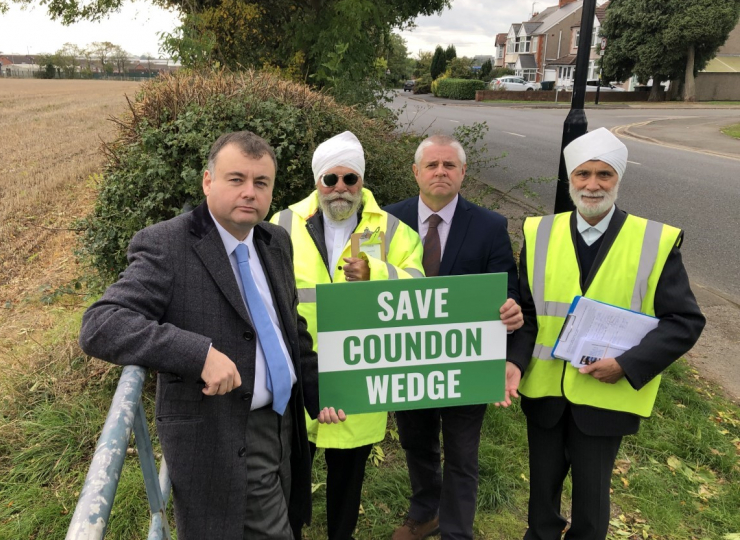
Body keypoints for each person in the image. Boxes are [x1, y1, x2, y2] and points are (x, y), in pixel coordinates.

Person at [79, 131, 343, 540]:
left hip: (283, 427)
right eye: (236, 179)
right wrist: (197, 353)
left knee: (288, 518)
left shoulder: (276, 241)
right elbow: (101, 323)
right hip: (221, 433)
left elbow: (292, 330)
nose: (249, 193)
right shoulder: (168, 245)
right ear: (207, 181)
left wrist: (317, 391)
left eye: (261, 183)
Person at [508, 127, 705, 540]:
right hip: (543, 391)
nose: (593, 185)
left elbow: (684, 321)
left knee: (591, 508)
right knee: (540, 500)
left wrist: (627, 364)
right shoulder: (538, 233)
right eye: (583, 174)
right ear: (569, 179)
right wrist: (514, 361)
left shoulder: (655, 240)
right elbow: (528, 311)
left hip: (605, 399)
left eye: (604, 174)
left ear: (618, 179)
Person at [271, 131, 424, 540]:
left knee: (348, 474)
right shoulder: (283, 224)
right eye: (331, 179)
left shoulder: (392, 230)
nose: (340, 188)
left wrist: (378, 273)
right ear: (318, 181)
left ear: (362, 181)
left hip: (360, 371)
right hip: (299, 370)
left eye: (350, 179)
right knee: (292, 472)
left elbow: (420, 285)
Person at [384, 134, 523, 540]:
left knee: (463, 452)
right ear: (416, 172)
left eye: (449, 165)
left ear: (463, 172)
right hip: (406, 359)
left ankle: (457, 531)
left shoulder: (490, 225)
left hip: (466, 361)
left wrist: (511, 307)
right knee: (416, 441)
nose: (440, 172)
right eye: (432, 165)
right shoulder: (389, 220)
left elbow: (507, 287)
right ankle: (425, 512)